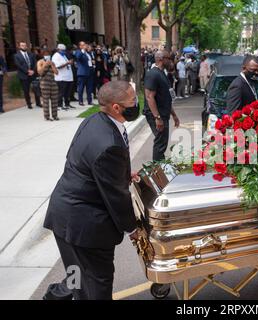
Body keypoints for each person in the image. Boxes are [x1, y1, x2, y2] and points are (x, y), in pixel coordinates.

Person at [43, 81, 140, 300]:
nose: (136, 103)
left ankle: (55, 297)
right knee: (97, 282)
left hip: (65, 214)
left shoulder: (93, 120)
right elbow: (116, 196)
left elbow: (87, 165)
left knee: (76, 272)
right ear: (116, 107)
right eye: (133, 100)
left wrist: (122, 175)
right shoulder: (109, 144)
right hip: (85, 224)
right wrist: (132, 229)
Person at [143, 51, 180, 161]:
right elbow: (149, 97)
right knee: (160, 144)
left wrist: (174, 115)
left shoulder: (162, 73)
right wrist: (157, 118)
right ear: (160, 59)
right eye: (168, 58)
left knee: (162, 143)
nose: (171, 61)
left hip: (163, 114)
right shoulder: (152, 74)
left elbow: (166, 98)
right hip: (157, 115)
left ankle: (160, 167)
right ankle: (158, 171)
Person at [14, 41, 41, 109]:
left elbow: (35, 63)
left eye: (25, 45)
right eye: (22, 45)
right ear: (19, 47)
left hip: (33, 74)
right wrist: (27, 71)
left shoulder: (31, 54)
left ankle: (38, 103)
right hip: (24, 75)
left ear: (26, 46)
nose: (24, 46)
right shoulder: (16, 55)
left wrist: (33, 71)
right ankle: (29, 104)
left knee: (36, 89)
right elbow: (18, 65)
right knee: (26, 90)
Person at [37, 49, 59, 121]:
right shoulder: (40, 62)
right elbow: (40, 72)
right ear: (43, 55)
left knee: (55, 101)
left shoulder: (52, 62)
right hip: (44, 84)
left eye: (48, 54)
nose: (47, 56)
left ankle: (55, 115)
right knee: (46, 101)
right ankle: (47, 116)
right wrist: (45, 64)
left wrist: (52, 65)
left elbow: (56, 72)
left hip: (53, 83)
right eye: (45, 54)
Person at [52, 44, 74, 111]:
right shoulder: (56, 56)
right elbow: (57, 66)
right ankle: (59, 105)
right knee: (61, 92)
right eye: (62, 50)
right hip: (61, 77)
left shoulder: (63, 55)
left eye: (64, 50)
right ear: (58, 49)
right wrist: (67, 63)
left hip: (68, 77)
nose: (64, 51)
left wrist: (70, 63)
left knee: (68, 92)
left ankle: (67, 104)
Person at [74, 41, 93, 106]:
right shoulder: (78, 52)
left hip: (90, 71)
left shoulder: (88, 53)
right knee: (81, 88)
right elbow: (78, 58)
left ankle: (89, 101)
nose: (86, 46)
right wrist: (82, 51)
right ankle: (80, 101)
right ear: (80, 46)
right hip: (82, 72)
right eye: (84, 45)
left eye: (85, 44)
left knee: (89, 88)